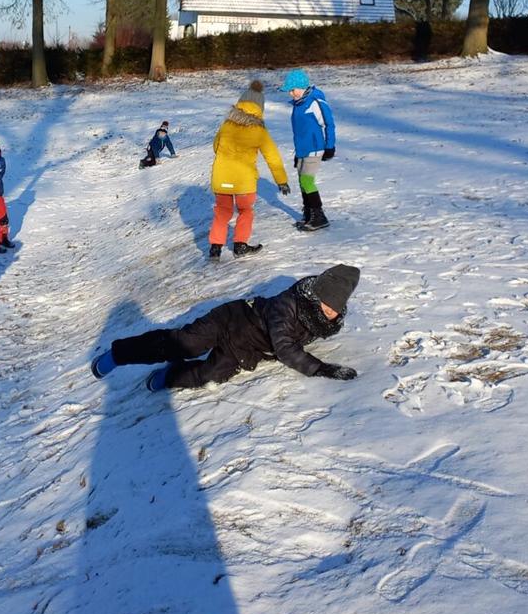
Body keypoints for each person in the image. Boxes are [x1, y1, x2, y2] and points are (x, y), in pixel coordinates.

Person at [91, 264, 361, 391]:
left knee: (209, 375)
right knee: (182, 344)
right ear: (316, 295)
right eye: (327, 304)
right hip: (230, 321)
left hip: (247, 348)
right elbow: (285, 346)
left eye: (335, 309)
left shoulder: (325, 322)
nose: (330, 312)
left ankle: (171, 377)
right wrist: (320, 368)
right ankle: (118, 354)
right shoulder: (288, 304)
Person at [208, 79, 290, 259]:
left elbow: (215, 146)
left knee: (222, 212)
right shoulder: (260, 131)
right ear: (261, 108)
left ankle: (215, 248)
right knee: (245, 211)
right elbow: (272, 157)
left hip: (221, 179)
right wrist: (281, 181)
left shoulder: (226, 126)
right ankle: (240, 245)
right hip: (244, 182)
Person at [279, 68, 337, 231]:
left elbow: (329, 124)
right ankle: (309, 213)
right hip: (303, 149)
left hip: (315, 147)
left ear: (302, 87)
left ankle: (319, 216)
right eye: (289, 91)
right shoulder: (298, 104)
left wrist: (330, 146)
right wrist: (298, 154)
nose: (291, 93)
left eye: (292, 90)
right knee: (302, 181)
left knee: (307, 180)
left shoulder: (315, 102)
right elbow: (299, 132)